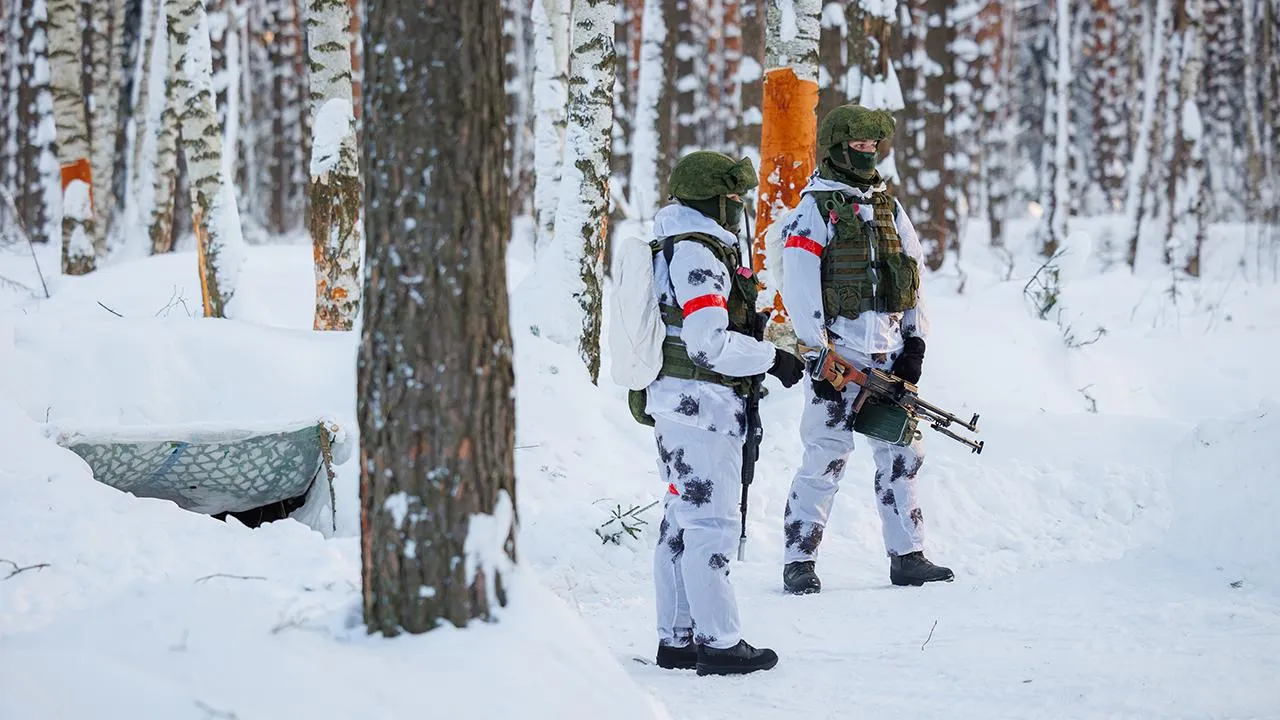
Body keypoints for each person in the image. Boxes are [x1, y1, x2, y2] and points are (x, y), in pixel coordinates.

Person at [777, 104, 954, 594]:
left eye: (873, 146)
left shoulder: (890, 208)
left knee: (901, 456)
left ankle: (909, 555)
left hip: (888, 360)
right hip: (838, 363)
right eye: (858, 146)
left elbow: (913, 275)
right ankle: (799, 561)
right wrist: (818, 353)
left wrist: (916, 341)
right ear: (836, 148)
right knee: (824, 460)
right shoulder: (813, 211)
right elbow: (800, 288)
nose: (867, 153)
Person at [645, 150, 804, 675]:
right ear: (712, 199)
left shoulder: (677, 242)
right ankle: (719, 643)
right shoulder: (697, 253)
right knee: (709, 524)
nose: (737, 207)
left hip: (680, 406)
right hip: (701, 407)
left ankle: (677, 639)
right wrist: (772, 358)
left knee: (680, 522)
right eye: (733, 198)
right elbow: (707, 343)